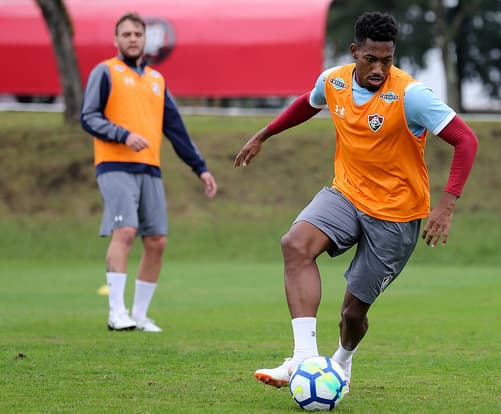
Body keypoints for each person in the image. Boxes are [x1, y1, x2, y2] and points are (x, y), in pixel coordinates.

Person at [234, 11, 478, 389]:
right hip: (347, 194)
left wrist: (446, 204)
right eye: (370, 59)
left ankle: (342, 363)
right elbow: (308, 102)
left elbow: (466, 140)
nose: (379, 68)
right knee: (295, 245)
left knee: (351, 314)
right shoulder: (333, 82)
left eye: (387, 60)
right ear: (354, 52)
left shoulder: (412, 95)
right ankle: (303, 359)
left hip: (396, 216)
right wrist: (265, 133)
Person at [81, 12, 217, 332]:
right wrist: (122, 134)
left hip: (151, 169)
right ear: (116, 40)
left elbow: (176, 129)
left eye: (137, 35)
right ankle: (117, 313)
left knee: (156, 241)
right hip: (114, 165)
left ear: (146, 40)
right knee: (125, 231)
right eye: (126, 34)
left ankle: (140, 315)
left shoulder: (157, 81)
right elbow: (88, 117)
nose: (132, 39)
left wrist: (200, 168)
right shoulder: (105, 72)